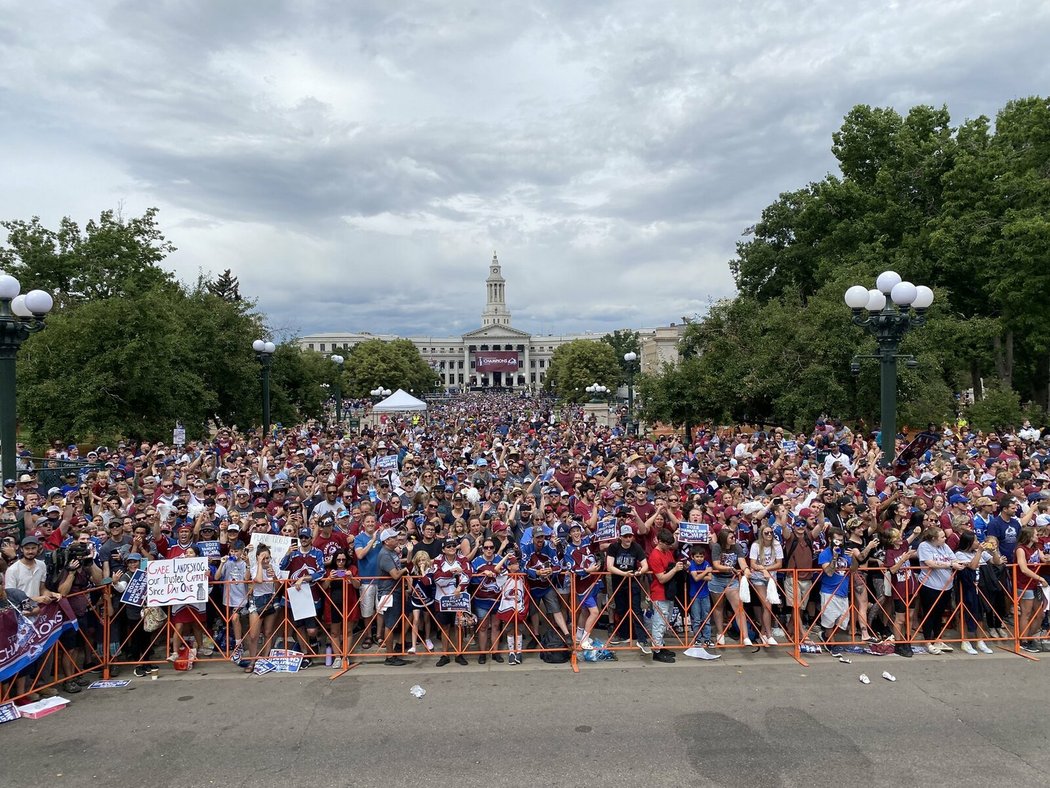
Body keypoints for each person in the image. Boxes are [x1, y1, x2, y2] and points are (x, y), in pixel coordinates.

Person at [916, 526, 966, 654]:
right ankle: (928, 641)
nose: (945, 538)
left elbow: (953, 558)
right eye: (942, 537)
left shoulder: (944, 546)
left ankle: (938, 639)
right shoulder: (924, 546)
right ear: (933, 538)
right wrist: (950, 564)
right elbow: (930, 563)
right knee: (929, 614)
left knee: (939, 614)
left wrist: (958, 563)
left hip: (946, 585)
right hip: (930, 585)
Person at [604, 524, 651, 652]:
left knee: (636, 609)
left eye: (630, 536)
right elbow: (609, 566)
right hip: (619, 580)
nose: (628, 539)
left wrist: (639, 572)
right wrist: (624, 573)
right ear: (620, 537)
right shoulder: (614, 547)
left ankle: (642, 639)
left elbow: (645, 564)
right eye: (625, 536)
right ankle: (624, 634)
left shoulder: (636, 547)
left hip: (633, 580)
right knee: (621, 608)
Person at [952, 531, 995, 655]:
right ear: (969, 542)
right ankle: (965, 641)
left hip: (980, 586)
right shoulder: (960, 554)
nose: (978, 542)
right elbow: (973, 566)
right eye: (976, 540)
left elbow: (995, 562)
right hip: (966, 586)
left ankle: (980, 640)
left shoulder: (979, 552)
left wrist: (994, 551)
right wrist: (980, 552)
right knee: (965, 613)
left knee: (980, 613)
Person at [646, 528, 685, 663]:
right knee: (659, 623)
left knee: (665, 622)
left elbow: (671, 567)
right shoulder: (654, 556)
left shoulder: (667, 552)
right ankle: (656, 651)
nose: (669, 547)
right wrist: (675, 569)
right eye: (667, 544)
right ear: (660, 542)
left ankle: (660, 646)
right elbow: (661, 578)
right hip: (659, 593)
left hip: (668, 593)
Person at [431, 538, 471, 666]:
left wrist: (460, 587)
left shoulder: (462, 559)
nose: (452, 548)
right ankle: (445, 654)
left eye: (454, 545)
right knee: (444, 628)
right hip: (441, 599)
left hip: (458, 599)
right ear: (443, 549)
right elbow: (437, 579)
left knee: (459, 626)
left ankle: (459, 653)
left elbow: (468, 574)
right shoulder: (438, 560)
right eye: (448, 546)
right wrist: (452, 572)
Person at [243, 544, 282, 672]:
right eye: (263, 558)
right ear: (258, 558)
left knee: (268, 632)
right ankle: (252, 661)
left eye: (268, 558)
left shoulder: (275, 567)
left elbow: (277, 589)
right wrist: (259, 563)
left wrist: (275, 576)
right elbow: (258, 580)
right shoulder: (254, 568)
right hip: (257, 600)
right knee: (254, 635)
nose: (266, 561)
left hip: (270, 599)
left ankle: (266, 659)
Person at [709, 528, 750, 647]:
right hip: (717, 579)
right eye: (731, 537)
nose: (734, 539)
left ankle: (746, 636)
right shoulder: (717, 547)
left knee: (739, 607)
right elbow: (716, 565)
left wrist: (746, 569)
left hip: (732, 580)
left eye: (734, 537)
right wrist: (728, 568)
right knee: (718, 607)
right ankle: (720, 633)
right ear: (724, 539)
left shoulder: (736, 546)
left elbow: (742, 562)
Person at [376, 528, 410, 666]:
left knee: (396, 621)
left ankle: (394, 650)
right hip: (389, 591)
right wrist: (405, 570)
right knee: (389, 624)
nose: (397, 539)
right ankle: (389, 656)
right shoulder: (385, 554)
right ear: (386, 541)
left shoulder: (391, 552)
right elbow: (395, 575)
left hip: (395, 590)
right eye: (394, 538)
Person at [1014, 526, 1049, 653]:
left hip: (1035, 584)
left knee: (1040, 614)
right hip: (1023, 584)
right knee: (1026, 612)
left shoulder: (1036, 547)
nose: (1037, 536)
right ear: (1028, 536)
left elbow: (1044, 559)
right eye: (1035, 534)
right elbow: (1023, 568)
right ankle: (1023, 640)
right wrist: (1040, 577)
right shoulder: (1020, 549)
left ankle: (1030, 636)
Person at [748, 523, 784, 646]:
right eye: (766, 533)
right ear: (761, 534)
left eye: (771, 533)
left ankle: (762, 633)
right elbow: (752, 564)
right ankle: (769, 635)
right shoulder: (756, 545)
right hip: (758, 578)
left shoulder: (777, 545)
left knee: (767, 606)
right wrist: (763, 570)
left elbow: (779, 564)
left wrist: (765, 569)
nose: (769, 535)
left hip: (771, 578)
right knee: (767, 604)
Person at [495, 552, 529, 664]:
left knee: (519, 629)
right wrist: (506, 557)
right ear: (509, 566)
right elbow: (496, 568)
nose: (517, 564)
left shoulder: (521, 576)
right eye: (514, 563)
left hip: (519, 607)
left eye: (517, 562)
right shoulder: (505, 575)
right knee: (509, 629)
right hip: (507, 607)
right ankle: (511, 652)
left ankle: (519, 652)